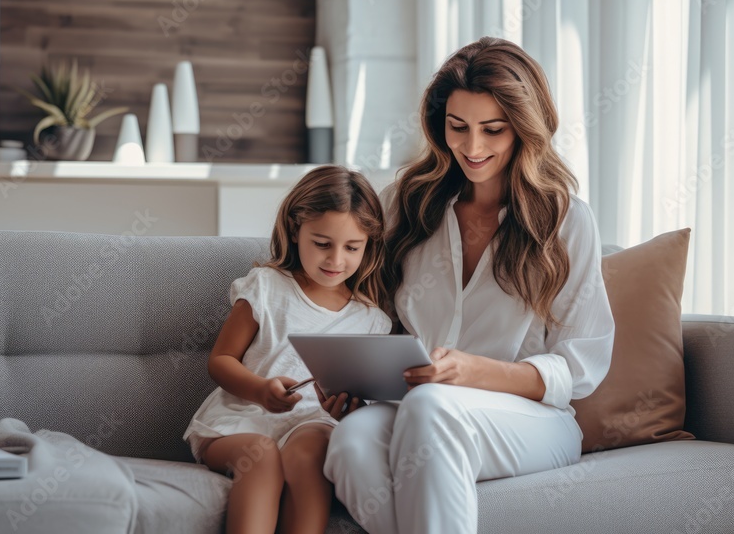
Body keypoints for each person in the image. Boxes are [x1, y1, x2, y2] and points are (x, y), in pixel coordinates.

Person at [321, 36, 616, 533]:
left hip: (530, 419)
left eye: (493, 130)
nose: (472, 148)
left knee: (433, 406)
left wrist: (473, 371)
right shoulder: (403, 205)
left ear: (524, 129)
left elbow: (580, 365)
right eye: (457, 128)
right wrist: (356, 384)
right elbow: (375, 318)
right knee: (350, 442)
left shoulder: (565, 221)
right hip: (413, 404)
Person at [182, 164, 393, 534]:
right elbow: (220, 361)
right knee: (261, 455)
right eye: (322, 244)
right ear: (296, 230)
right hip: (238, 424)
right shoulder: (267, 286)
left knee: (312, 448)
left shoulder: (371, 320)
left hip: (312, 424)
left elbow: (362, 398)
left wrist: (349, 408)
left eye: (352, 248)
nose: (335, 260)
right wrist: (261, 390)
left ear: (368, 246)